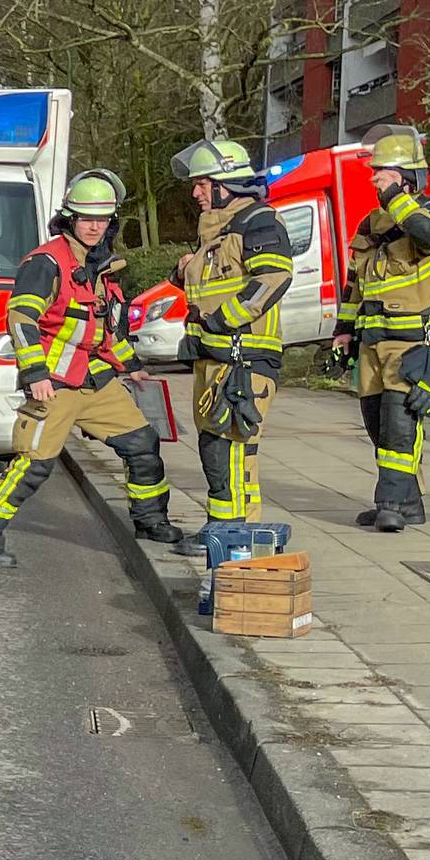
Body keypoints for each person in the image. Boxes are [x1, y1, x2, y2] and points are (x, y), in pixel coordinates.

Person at [0, 171, 180, 569]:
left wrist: (132, 367)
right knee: (34, 464)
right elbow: (21, 318)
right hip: (55, 384)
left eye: (103, 219)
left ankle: (150, 521)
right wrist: (35, 375)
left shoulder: (101, 267)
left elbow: (105, 329)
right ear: (69, 219)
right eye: (86, 218)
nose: (94, 226)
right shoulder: (46, 262)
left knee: (143, 444)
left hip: (94, 379)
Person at [166, 138, 293, 557]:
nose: (196, 192)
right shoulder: (218, 231)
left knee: (232, 450)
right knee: (215, 448)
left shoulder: (258, 222)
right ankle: (223, 529)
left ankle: (233, 535)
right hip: (216, 360)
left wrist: (223, 320)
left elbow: (272, 280)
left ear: (227, 184)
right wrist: (183, 270)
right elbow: (208, 284)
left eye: (203, 184)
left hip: (246, 360)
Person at [332, 130, 430, 532]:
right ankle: (409, 502)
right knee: (377, 424)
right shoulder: (372, 223)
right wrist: (344, 329)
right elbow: (355, 282)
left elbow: (428, 236)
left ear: (404, 177)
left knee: (401, 425)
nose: (373, 179)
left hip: (411, 343)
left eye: (381, 172)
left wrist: (397, 197)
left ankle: (390, 505)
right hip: (371, 343)